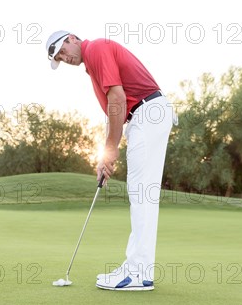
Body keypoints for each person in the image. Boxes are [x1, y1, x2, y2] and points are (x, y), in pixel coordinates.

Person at [46, 30, 177, 291]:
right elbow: (112, 109)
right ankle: (137, 268)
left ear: (72, 38)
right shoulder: (93, 64)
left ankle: (139, 273)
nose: (65, 57)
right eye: (59, 57)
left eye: (63, 50)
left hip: (147, 113)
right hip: (145, 115)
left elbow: (117, 99)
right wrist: (106, 155)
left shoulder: (96, 49)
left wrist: (111, 150)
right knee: (141, 193)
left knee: (141, 194)